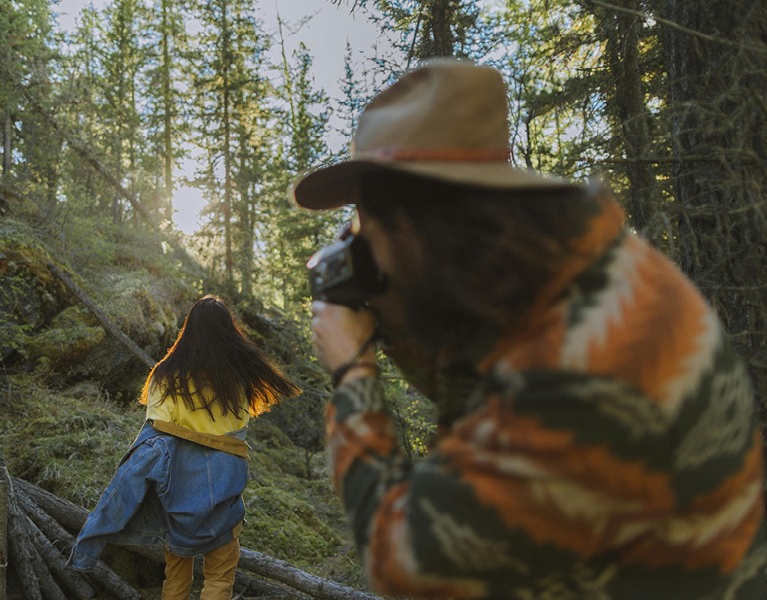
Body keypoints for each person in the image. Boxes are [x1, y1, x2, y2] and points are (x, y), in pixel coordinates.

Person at [293, 58, 766, 598]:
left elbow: (408, 563)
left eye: (363, 226)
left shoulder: (585, 356)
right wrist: (400, 312)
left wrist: (353, 371)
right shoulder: (561, 271)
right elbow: (479, 395)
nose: (357, 245)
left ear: (408, 227)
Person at [68, 295, 299, 600]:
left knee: (176, 576)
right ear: (229, 331)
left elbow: (155, 437)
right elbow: (236, 430)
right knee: (219, 577)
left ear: (188, 329)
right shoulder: (238, 381)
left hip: (176, 499)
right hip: (224, 497)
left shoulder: (166, 376)